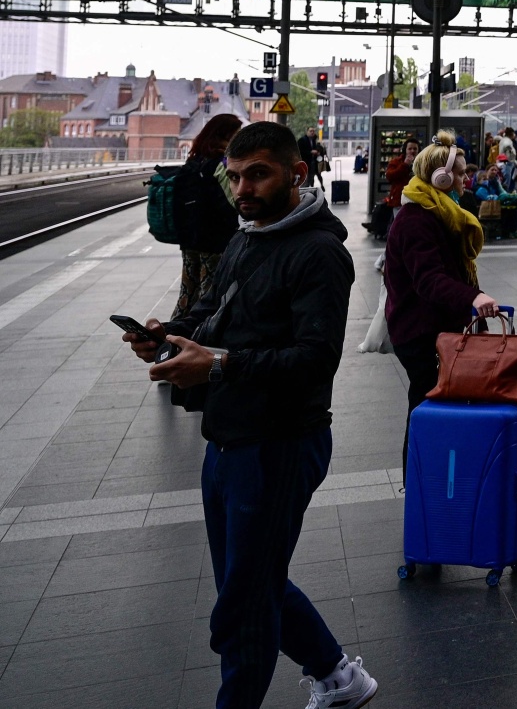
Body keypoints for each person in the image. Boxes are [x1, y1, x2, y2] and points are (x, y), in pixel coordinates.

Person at [118, 122, 377, 709]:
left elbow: (316, 360)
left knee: (246, 607)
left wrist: (217, 365)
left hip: (279, 443)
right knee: (248, 581)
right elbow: (212, 308)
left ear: (297, 174)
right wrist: (168, 334)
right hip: (229, 438)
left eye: (258, 174)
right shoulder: (247, 237)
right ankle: (338, 676)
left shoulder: (319, 254)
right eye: (234, 177)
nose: (243, 189)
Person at [382, 133, 500, 463]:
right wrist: (473, 297)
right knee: (425, 407)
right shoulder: (416, 221)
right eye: (460, 174)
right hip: (419, 334)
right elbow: (429, 280)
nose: (466, 179)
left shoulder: (438, 212)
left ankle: (429, 475)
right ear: (441, 178)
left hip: (431, 328)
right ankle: (419, 478)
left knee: (430, 406)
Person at [174, 113, 244, 315]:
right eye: (236, 134)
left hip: (190, 240)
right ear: (225, 135)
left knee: (187, 294)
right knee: (210, 296)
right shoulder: (221, 164)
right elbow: (234, 201)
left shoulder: (193, 162)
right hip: (215, 241)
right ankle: (202, 332)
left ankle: (173, 330)